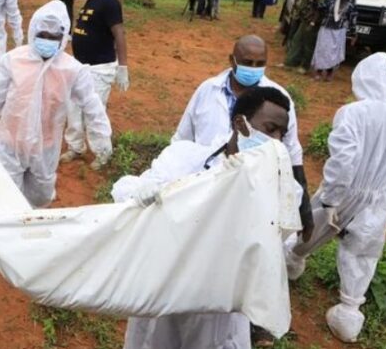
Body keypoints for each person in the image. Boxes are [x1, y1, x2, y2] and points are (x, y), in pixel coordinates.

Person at [113, 86, 298, 349]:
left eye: (282, 133)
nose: (276, 140)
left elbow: (274, 246)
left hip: (217, 304)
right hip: (164, 285)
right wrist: (140, 194)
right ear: (240, 123)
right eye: (270, 129)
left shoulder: (277, 186)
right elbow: (128, 191)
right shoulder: (185, 158)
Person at [285, 52, 386, 343]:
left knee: (309, 231)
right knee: (363, 251)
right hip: (379, 195)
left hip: (345, 189)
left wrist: (331, 199)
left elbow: (343, 160)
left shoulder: (353, 113)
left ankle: (289, 265)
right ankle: (349, 313)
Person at [174, 35, 313, 241]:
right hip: (205, 186)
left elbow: (291, 151)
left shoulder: (278, 99)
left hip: (254, 191)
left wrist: (304, 208)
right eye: (248, 63)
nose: (254, 68)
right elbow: (182, 140)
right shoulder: (207, 91)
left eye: (260, 64)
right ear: (232, 60)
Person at [0, 0, 112, 208]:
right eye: (43, 36)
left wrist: (101, 134)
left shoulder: (72, 70)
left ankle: (34, 220)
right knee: (7, 193)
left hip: (46, 144)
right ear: (33, 33)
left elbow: (91, 103)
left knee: (40, 195)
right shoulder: (13, 60)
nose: (47, 40)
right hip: (12, 140)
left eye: (54, 37)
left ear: (63, 37)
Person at [61, 0, 128, 169]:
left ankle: (102, 152)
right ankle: (76, 147)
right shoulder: (90, 2)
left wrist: (123, 66)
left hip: (100, 68)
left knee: (94, 111)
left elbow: (119, 34)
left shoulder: (108, 2)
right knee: (73, 109)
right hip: (81, 68)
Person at [284, 0, 331, 74]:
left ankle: (304, 67)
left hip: (313, 19)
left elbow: (320, 6)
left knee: (308, 44)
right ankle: (290, 63)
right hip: (305, 17)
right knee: (297, 40)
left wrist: (313, 21)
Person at [311, 0, 357, 82]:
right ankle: (318, 72)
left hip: (339, 31)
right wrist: (315, 0)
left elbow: (353, 19)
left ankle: (329, 73)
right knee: (322, 49)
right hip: (326, 28)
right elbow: (321, 7)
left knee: (334, 52)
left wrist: (353, 34)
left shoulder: (352, 3)